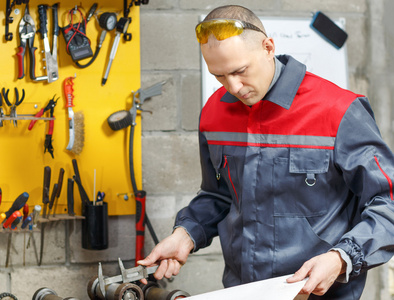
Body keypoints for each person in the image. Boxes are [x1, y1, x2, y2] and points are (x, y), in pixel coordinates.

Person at [138, 5, 394, 299]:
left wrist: (340, 258)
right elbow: (219, 195)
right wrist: (186, 234)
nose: (233, 86)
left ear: (268, 47)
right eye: (219, 76)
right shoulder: (214, 113)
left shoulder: (338, 111)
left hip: (318, 293)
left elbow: (388, 202)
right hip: (242, 291)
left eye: (239, 71)